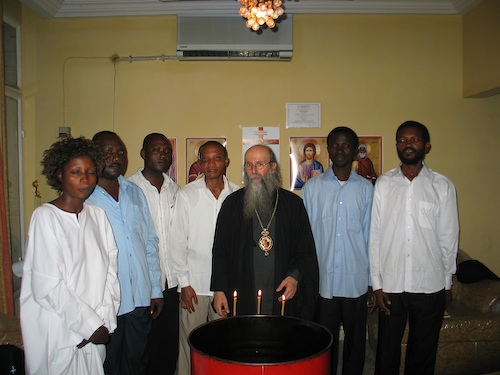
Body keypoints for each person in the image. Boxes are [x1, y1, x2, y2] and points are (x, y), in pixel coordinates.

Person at [20, 136, 120, 375]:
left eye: (91, 172)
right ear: (59, 175)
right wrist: (88, 326)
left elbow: (110, 273)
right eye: (76, 172)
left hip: (95, 332)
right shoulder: (46, 217)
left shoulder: (97, 216)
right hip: (59, 332)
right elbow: (48, 285)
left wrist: (103, 321)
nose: (85, 179)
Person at [369, 121, 459, 375]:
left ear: (426, 145)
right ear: (397, 144)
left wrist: (447, 283)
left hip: (429, 284)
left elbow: (449, 237)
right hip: (392, 285)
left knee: (423, 353)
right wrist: (377, 284)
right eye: (402, 140)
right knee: (386, 353)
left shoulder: (442, 186)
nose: (408, 144)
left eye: (415, 139)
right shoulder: (384, 185)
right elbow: (375, 236)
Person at [86, 131, 164, 375]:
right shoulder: (85, 198)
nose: (115, 157)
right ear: (94, 155)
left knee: (137, 363)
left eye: (120, 152)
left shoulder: (135, 193)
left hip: (139, 299)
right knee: (108, 366)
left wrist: (155, 289)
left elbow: (150, 243)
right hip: (104, 303)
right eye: (107, 151)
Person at [211, 144, 319, 320]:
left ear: (273, 167)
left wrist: (295, 277)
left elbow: (304, 249)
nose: (253, 170)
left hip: (281, 290)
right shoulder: (231, 204)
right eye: (248, 165)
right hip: (243, 290)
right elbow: (220, 250)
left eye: (260, 164)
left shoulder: (292, 204)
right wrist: (220, 289)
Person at [302, 127, 374, 375]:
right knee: (325, 342)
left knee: (356, 344)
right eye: (335, 145)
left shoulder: (367, 190)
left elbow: (370, 236)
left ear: (355, 150)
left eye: (346, 145)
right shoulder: (312, 188)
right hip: (325, 282)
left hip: (356, 280)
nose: (340, 150)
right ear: (328, 149)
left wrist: (373, 282)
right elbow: (307, 239)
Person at [170, 141, 240, 375]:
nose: (211, 164)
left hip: (227, 285)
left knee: (223, 346)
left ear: (226, 161)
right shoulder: (187, 194)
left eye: (217, 158)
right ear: (199, 163)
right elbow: (177, 241)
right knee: (191, 345)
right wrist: (184, 284)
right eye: (206, 159)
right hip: (195, 285)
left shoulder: (238, 194)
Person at [128, 133, 180, 375]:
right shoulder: (128, 190)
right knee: (142, 351)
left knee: (169, 349)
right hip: (142, 285)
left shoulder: (177, 191)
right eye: (156, 149)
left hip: (173, 285)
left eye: (167, 150)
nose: (162, 154)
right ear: (143, 154)